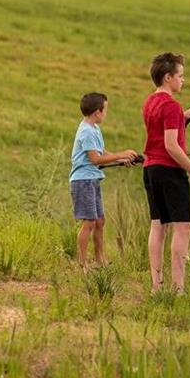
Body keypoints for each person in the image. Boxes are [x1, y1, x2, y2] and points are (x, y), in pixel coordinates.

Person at [142, 53, 190, 293]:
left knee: (158, 226)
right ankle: (178, 289)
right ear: (168, 77)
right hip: (169, 171)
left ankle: (156, 286)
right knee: (183, 228)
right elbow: (170, 145)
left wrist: (182, 118)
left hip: (151, 169)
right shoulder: (171, 105)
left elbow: (161, 132)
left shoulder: (151, 101)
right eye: (180, 76)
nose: (183, 80)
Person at [69, 92, 137, 268]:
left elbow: (102, 153)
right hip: (83, 181)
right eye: (105, 110)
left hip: (92, 179)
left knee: (100, 220)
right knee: (89, 222)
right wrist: (121, 153)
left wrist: (121, 159)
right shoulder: (86, 132)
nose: (106, 114)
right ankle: (82, 265)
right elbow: (95, 159)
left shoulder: (94, 129)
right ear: (97, 112)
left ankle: (100, 260)